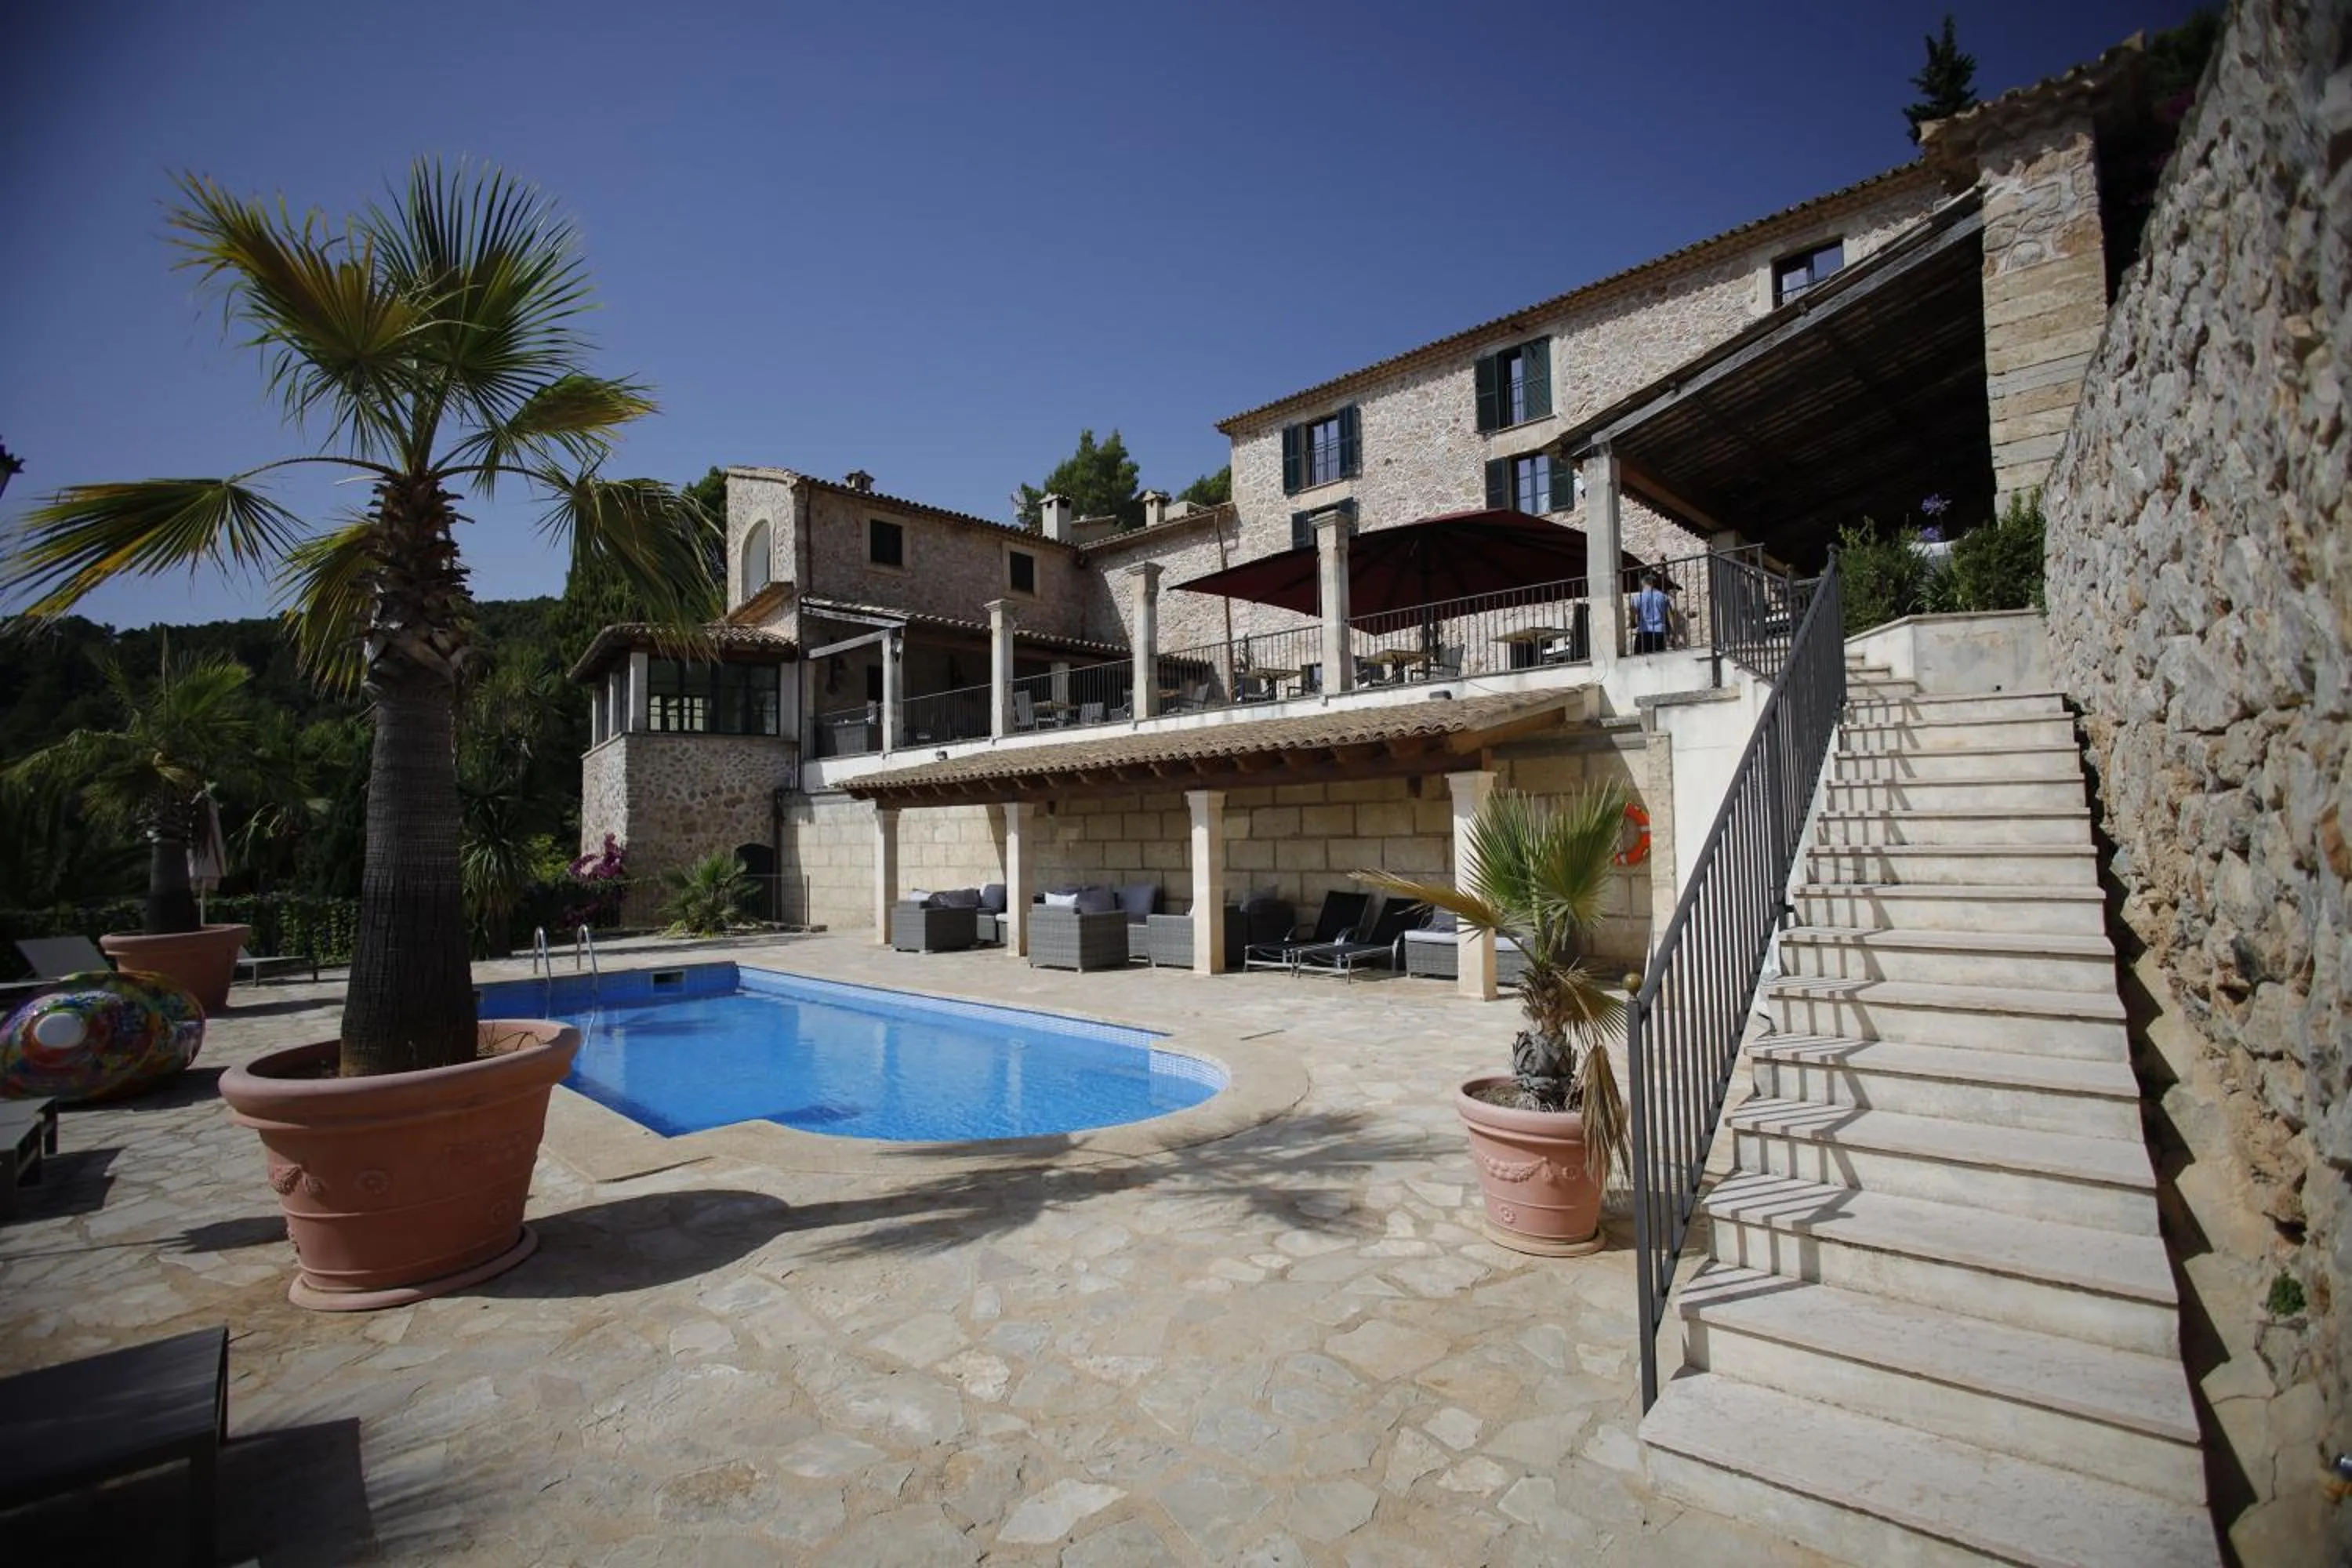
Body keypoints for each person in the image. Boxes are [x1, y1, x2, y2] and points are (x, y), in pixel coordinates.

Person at [1632, 572, 1672, 655]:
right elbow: (1670, 616)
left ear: (1643, 583)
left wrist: (1633, 623)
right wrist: (1672, 633)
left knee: (1640, 660)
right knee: (1659, 660)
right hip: (1659, 632)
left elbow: (1633, 616)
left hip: (1643, 632)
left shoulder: (1637, 598)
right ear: (1653, 583)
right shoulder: (1663, 596)